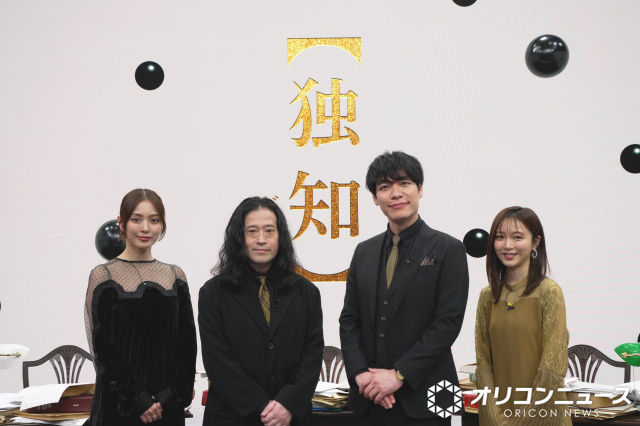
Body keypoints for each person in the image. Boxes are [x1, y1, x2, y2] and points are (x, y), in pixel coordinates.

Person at [339, 151, 469, 425]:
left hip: (430, 397)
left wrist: (399, 374)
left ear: (420, 189)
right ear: (375, 198)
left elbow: (447, 323)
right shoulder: (364, 251)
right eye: (385, 187)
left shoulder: (449, 249)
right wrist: (360, 374)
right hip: (370, 396)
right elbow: (349, 319)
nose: (396, 193)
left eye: (404, 183)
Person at [199, 197, 324, 426]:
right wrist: (261, 406)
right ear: (239, 237)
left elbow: (312, 356)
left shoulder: (306, 292)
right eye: (252, 231)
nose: (261, 240)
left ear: (280, 237)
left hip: (290, 418)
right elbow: (218, 360)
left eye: (269, 231)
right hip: (232, 417)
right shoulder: (213, 293)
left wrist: (287, 404)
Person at [84, 189, 197, 426]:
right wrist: (140, 400)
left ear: (162, 225)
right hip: (121, 408)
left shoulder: (175, 275)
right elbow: (104, 350)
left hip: (167, 409)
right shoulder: (103, 276)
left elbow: (187, 345)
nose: (145, 228)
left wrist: (166, 397)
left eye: (154, 220)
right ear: (121, 223)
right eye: (136, 219)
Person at [475, 207, 570, 426]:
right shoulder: (488, 296)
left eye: (517, 237)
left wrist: (522, 420)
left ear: (536, 242)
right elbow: (483, 363)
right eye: (500, 237)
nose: (507, 245)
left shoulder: (549, 292)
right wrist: (495, 417)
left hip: (543, 414)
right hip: (497, 416)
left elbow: (552, 365)